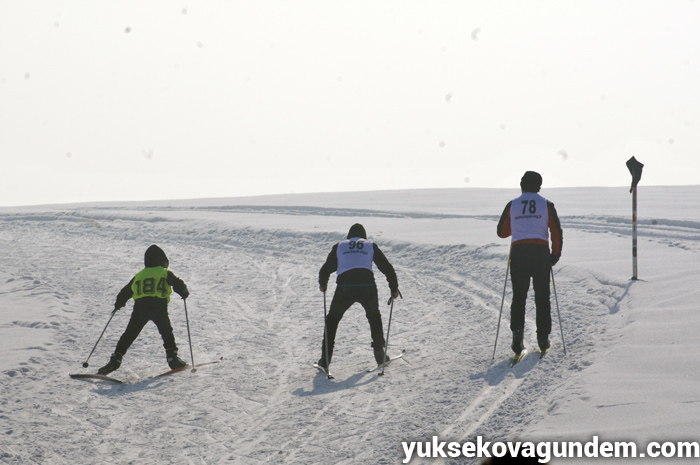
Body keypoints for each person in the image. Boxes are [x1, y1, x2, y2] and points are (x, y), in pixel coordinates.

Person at [317, 223, 401, 369]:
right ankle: (379, 353)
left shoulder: (340, 246)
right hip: (367, 286)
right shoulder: (370, 246)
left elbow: (326, 269)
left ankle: (325, 358)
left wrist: (323, 284)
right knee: (374, 316)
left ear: (349, 236)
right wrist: (394, 289)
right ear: (364, 236)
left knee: (332, 320)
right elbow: (387, 268)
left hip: (345, 288)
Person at [497, 171, 563, 355]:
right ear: (539, 186)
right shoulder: (547, 205)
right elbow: (556, 231)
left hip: (519, 253)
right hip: (540, 253)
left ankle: (517, 334)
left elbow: (501, 232)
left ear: (521, 185)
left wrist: (519, 226)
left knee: (519, 297)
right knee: (542, 297)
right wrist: (554, 255)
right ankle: (543, 338)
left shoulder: (512, 205)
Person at [98, 245, 190, 375]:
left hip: (140, 308)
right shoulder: (164, 272)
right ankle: (172, 358)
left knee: (129, 334)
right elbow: (177, 283)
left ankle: (116, 359)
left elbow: (126, 291)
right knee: (166, 332)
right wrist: (183, 292)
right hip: (159, 307)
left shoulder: (139, 275)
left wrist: (119, 303)